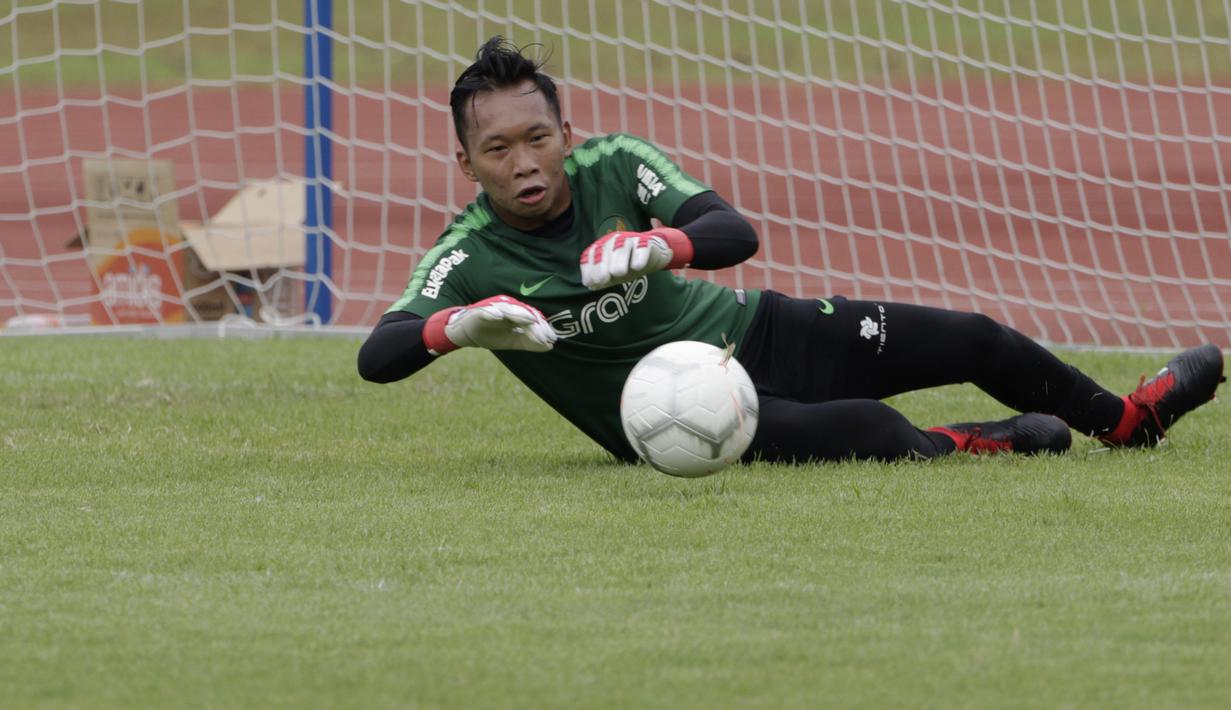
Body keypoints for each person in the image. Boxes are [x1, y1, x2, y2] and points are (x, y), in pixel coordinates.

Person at [358, 36, 1225, 464]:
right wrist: (453, 329)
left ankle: (1125, 420)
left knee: (972, 335)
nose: (525, 163)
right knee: (869, 432)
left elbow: (735, 232)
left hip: (760, 329)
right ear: (465, 163)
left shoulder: (615, 163)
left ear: (565, 131)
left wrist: (664, 244)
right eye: (498, 151)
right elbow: (379, 355)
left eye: (536, 137)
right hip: (672, 412)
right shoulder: (467, 255)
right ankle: (976, 441)